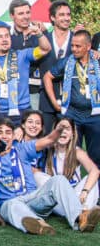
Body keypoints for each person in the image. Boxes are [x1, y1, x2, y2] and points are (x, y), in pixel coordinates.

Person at [0, 117, 100, 235]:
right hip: (9, 204)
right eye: (0, 132)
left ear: (14, 136)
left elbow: (50, 140)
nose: (4, 135)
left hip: (31, 199)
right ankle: (37, 224)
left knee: (59, 180)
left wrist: (59, 128)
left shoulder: (22, 149)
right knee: (12, 204)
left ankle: (79, 218)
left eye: (8, 132)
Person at [43, 30, 100, 168]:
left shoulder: (97, 61)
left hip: (95, 115)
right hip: (72, 114)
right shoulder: (67, 62)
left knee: (97, 155)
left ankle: (94, 187)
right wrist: (54, 102)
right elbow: (47, 77)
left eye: (78, 46)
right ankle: (73, 186)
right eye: (72, 45)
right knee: (71, 153)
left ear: (88, 46)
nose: (74, 49)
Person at [0, 24, 50, 124]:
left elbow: (45, 49)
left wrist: (39, 34)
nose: (4, 39)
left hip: (23, 112)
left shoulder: (23, 55)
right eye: (0, 37)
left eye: (7, 36)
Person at [35, 118, 100, 215]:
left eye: (67, 129)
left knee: (91, 180)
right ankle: (80, 214)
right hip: (56, 200)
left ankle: (83, 214)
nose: (63, 132)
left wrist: (85, 191)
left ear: (72, 134)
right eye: (60, 128)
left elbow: (95, 171)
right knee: (38, 176)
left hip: (75, 196)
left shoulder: (77, 151)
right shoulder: (46, 149)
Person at [39, 0, 73, 131]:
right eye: (62, 15)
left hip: (71, 101)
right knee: (46, 141)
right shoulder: (42, 40)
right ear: (53, 17)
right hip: (46, 100)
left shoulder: (77, 41)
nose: (66, 18)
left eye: (68, 14)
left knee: (70, 141)